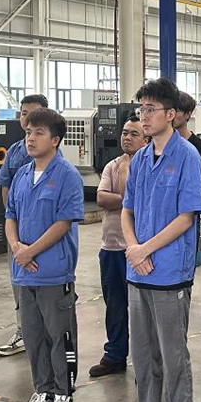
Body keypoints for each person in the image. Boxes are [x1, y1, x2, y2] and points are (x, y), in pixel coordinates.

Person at [119, 78, 201, 402]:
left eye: (151, 109)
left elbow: (186, 217)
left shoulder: (186, 156)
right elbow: (127, 210)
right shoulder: (139, 159)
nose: (144, 116)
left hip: (169, 272)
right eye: (141, 109)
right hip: (139, 271)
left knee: (173, 357)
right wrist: (133, 249)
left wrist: (145, 249)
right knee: (143, 353)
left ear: (171, 114)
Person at [5, 108, 85, 402]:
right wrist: (16, 249)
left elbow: (63, 223)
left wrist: (30, 252)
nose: (31, 138)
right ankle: (44, 392)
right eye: (28, 132)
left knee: (60, 338)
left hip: (53, 271)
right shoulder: (22, 175)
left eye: (39, 133)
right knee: (34, 336)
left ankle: (65, 396)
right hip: (25, 272)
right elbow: (10, 215)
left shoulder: (67, 175)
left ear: (55, 140)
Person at [89, 116, 147, 378]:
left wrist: (123, 197)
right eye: (125, 133)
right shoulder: (112, 165)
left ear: (145, 140)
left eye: (134, 134)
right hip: (111, 248)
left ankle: (145, 360)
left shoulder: (147, 167)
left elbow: (140, 200)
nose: (127, 137)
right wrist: (127, 200)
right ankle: (115, 355)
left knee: (141, 309)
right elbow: (101, 198)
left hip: (138, 249)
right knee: (114, 305)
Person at [0, 93, 49, 358]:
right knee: (19, 283)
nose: (26, 118)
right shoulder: (15, 151)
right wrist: (13, 226)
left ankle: (47, 332)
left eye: (33, 113)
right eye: (23, 113)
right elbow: (5, 187)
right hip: (16, 232)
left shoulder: (53, 155)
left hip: (44, 234)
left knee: (46, 286)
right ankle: (23, 330)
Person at [174, 91, 201, 175]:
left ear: (188, 114)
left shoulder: (198, 145)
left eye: (176, 111)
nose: (172, 115)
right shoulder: (163, 142)